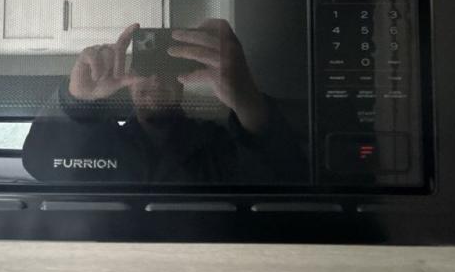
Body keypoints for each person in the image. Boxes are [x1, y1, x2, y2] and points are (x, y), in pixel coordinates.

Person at [21, 19, 308, 184]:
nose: (156, 80)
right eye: (145, 69)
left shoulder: (217, 143)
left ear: (183, 81)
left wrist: (247, 102)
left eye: (168, 70)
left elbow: (286, 176)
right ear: (127, 82)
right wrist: (76, 101)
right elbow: (40, 165)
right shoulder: (100, 144)